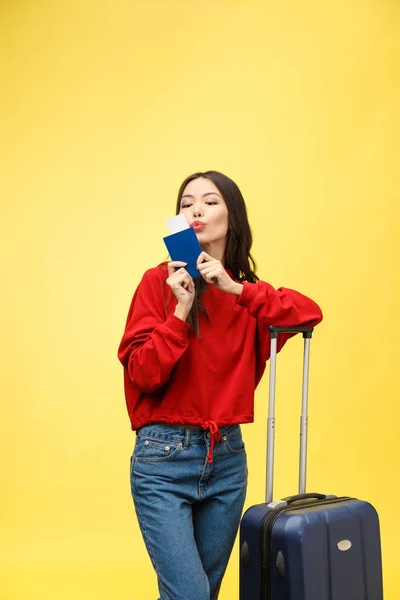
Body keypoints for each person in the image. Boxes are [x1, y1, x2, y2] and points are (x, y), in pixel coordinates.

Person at [117, 170, 323, 600]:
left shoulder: (244, 295)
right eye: (187, 202)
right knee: (189, 595)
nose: (196, 209)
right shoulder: (158, 283)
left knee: (203, 595)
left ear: (232, 216)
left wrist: (237, 289)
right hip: (163, 459)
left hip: (227, 458)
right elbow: (142, 373)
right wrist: (180, 310)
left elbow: (308, 314)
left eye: (210, 201)